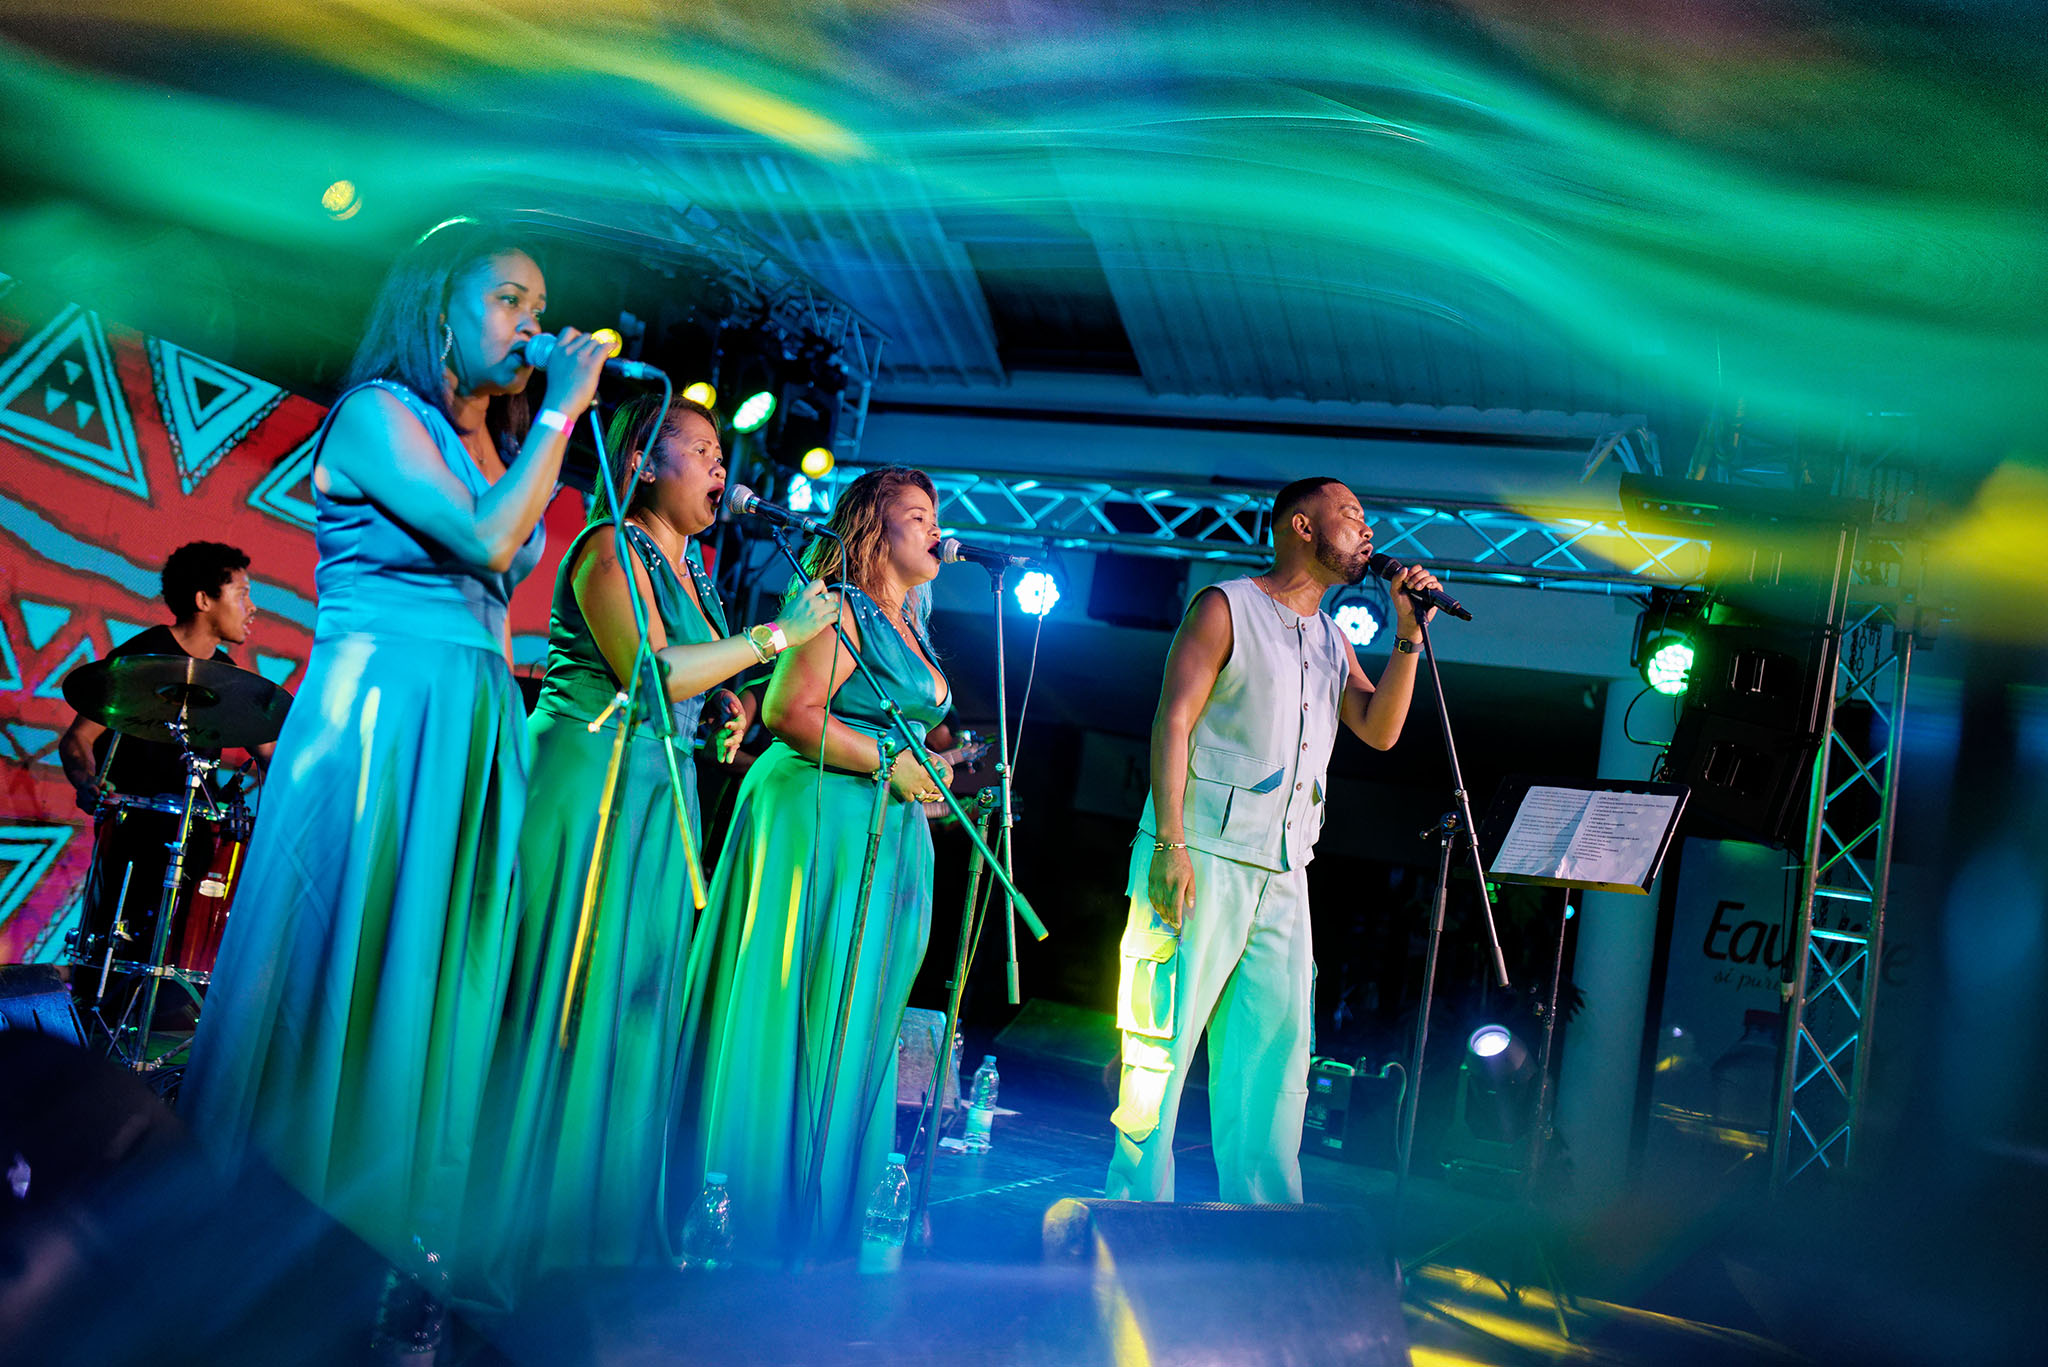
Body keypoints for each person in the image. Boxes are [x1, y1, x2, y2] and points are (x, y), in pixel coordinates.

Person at [180, 218, 610, 1279]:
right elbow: (489, 538)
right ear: (438, 308)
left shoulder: (496, 444)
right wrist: (562, 407)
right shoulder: (376, 414)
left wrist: (543, 422)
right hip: (383, 711)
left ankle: (382, 1224)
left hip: (468, 711)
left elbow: (503, 550)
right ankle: (268, 1217)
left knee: (435, 964)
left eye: (541, 306)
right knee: (349, 944)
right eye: (510, 299)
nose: (534, 324)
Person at [462, 393, 837, 1302]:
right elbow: (651, 671)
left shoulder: (695, 571)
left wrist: (726, 709)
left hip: (660, 801)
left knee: (633, 1013)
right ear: (640, 462)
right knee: (564, 1003)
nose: (721, 467)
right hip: (589, 793)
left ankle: (595, 1236)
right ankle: (502, 1239)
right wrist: (775, 637)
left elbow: (694, 682)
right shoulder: (607, 547)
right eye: (700, 449)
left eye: (721, 454)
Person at [1106, 476, 1443, 1204]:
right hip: (1199, 851)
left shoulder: (1331, 637)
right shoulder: (1226, 605)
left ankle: (1261, 1223)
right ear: (1302, 526)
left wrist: (1408, 635)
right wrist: (1170, 843)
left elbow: (1380, 730)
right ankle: (1135, 1210)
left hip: (1287, 868)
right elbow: (1173, 719)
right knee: (1161, 1042)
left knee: (1275, 1058)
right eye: (1351, 515)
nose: (1367, 531)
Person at [674, 465, 954, 1262]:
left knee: (854, 1014)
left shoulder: (910, 621)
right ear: (872, 528)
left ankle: (827, 1208)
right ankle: (757, 1203)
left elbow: (904, 727)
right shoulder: (842, 609)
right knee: (796, 1000)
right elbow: (788, 711)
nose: (935, 530)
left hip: (882, 826)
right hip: (818, 818)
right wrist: (890, 762)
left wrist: (930, 771)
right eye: (917, 515)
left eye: (936, 517)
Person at [58, 541, 267, 971]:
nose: (252, 608)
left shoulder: (230, 678)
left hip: (198, 839)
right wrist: (86, 781)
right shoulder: (142, 659)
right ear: (204, 600)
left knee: (182, 963)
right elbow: (78, 739)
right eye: (242, 593)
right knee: (115, 962)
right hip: (134, 833)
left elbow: (272, 756)